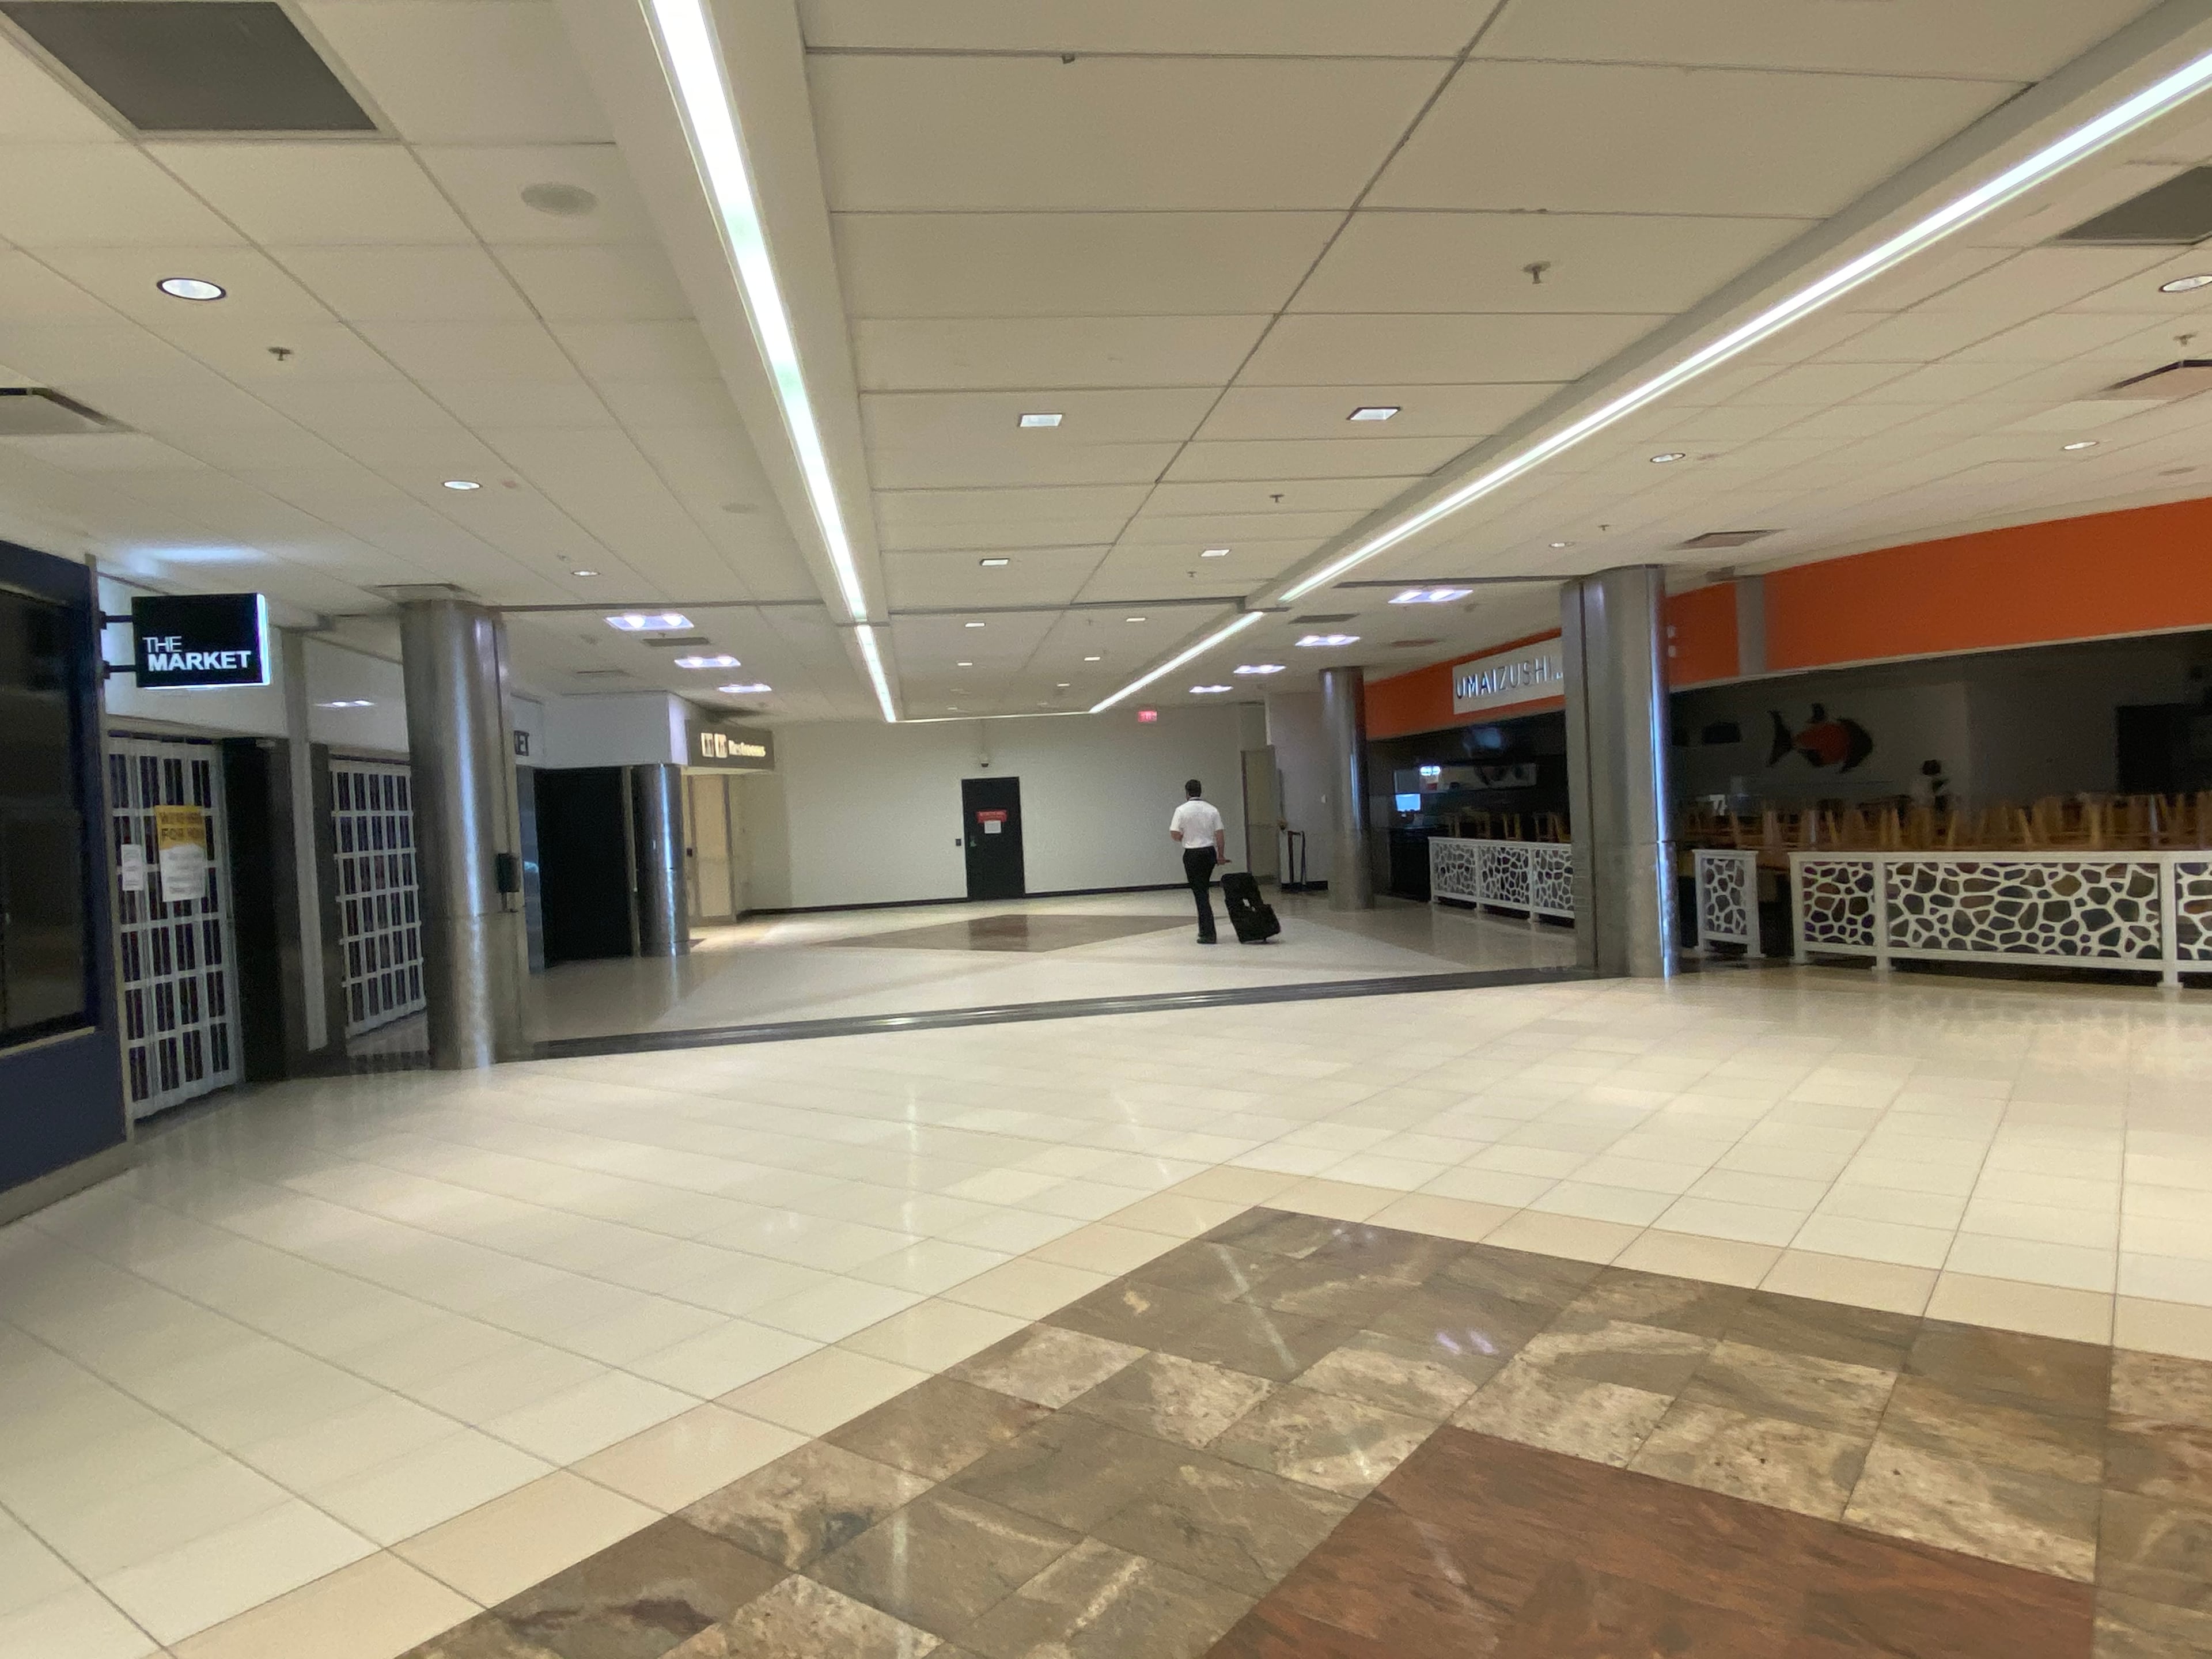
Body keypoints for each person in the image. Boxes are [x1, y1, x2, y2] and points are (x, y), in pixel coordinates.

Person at [1169, 778, 1228, 944]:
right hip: (1209, 852)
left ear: (1187, 793)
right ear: (1201, 791)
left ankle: (1208, 932)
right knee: (1204, 890)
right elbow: (1220, 835)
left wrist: (1184, 837)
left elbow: (1174, 833)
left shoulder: (1181, 810)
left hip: (1192, 854)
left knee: (1200, 893)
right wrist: (1220, 855)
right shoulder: (1212, 810)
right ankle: (1206, 930)